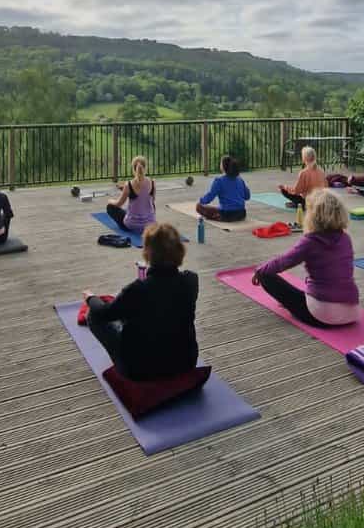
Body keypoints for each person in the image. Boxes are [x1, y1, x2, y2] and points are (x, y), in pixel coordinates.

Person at [83, 223, 198, 381]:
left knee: (93, 314)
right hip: (185, 364)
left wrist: (90, 298)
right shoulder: (191, 280)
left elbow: (103, 313)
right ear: (180, 250)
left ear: (147, 253)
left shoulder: (137, 289)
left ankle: (123, 362)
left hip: (140, 371)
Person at [253, 188, 359, 326]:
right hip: (351, 313)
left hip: (321, 316)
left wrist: (259, 270)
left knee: (265, 275)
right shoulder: (345, 238)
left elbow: (282, 262)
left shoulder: (310, 241)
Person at [106, 155, 156, 233]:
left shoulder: (128, 184)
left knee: (110, 207)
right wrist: (126, 190)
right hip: (150, 224)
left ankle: (128, 226)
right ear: (145, 168)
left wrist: (110, 201)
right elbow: (151, 201)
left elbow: (118, 204)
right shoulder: (152, 182)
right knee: (147, 205)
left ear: (133, 168)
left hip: (131, 225)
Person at [196, 155, 250, 222]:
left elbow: (210, 196)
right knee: (219, 208)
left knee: (199, 207)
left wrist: (201, 201)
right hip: (242, 214)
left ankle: (217, 216)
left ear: (223, 166)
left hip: (227, 215)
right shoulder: (240, 179)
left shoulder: (219, 180)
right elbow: (247, 197)